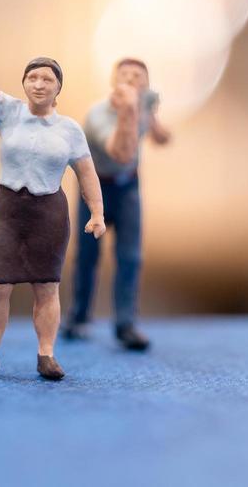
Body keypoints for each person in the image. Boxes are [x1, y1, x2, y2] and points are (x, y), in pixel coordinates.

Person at [0, 29, 106, 381]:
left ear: (58, 88)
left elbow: (87, 174)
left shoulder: (70, 129)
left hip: (48, 213)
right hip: (9, 210)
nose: (39, 84)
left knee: (47, 285)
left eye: (47, 79)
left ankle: (47, 354)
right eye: (33, 77)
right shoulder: (8, 112)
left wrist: (98, 213)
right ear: (24, 83)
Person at [63, 57, 172, 351]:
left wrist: (153, 120)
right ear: (114, 81)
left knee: (130, 256)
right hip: (96, 187)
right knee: (87, 255)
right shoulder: (97, 115)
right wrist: (128, 111)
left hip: (128, 187)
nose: (131, 79)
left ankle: (126, 324)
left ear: (146, 83)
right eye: (124, 74)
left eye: (138, 75)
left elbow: (160, 135)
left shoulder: (147, 102)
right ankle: (79, 317)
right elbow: (120, 152)